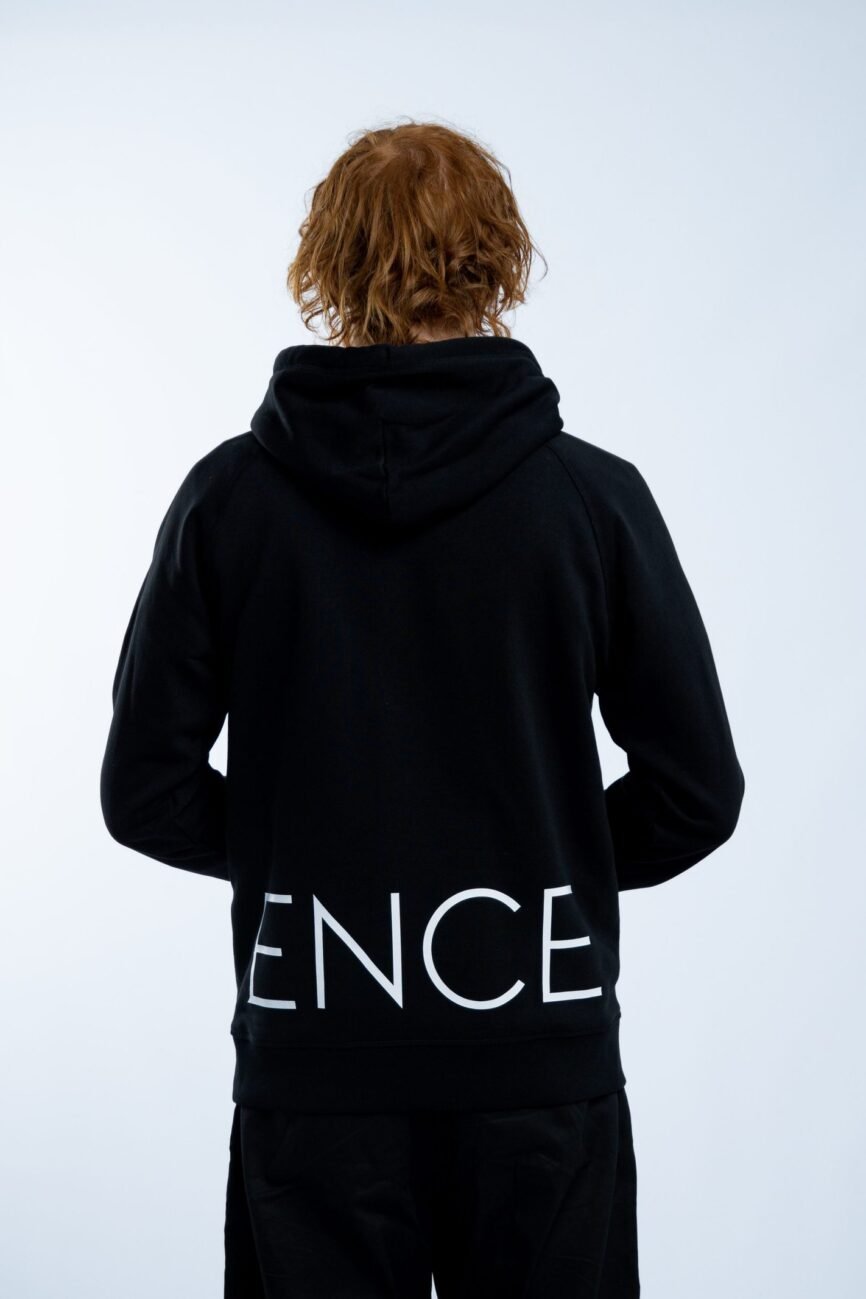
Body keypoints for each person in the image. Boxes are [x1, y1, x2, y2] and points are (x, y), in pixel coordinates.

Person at [99, 119, 745, 1298]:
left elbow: (144, 792)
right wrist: (529, 869)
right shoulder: (587, 500)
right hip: (536, 1060)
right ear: (495, 258)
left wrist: (321, 864)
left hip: (316, 1062)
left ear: (327, 262)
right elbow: (696, 793)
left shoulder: (229, 502)